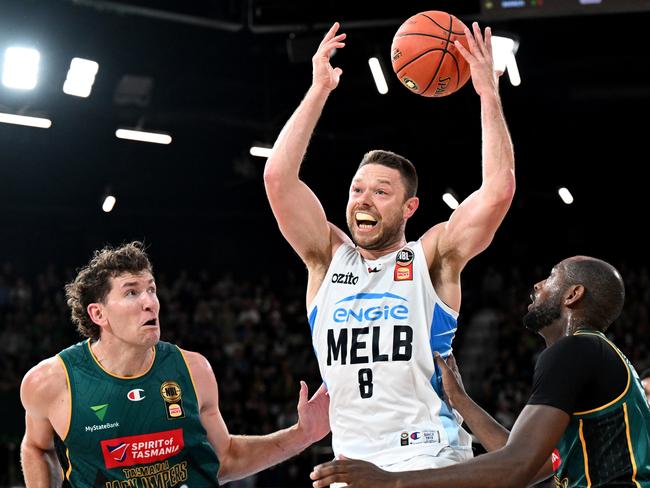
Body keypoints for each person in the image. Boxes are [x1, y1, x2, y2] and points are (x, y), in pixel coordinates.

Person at [263, 19, 515, 474]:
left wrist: (487, 95)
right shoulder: (326, 257)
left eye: (380, 192)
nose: (363, 199)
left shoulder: (431, 257)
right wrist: (319, 89)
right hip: (350, 461)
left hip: (428, 454)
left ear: (409, 208)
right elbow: (278, 180)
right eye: (357, 189)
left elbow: (497, 191)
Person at [310, 256, 650, 487]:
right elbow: (526, 461)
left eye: (551, 278)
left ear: (573, 295)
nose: (537, 285)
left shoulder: (574, 350)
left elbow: (514, 469)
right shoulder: (598, 355)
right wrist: (460, 401)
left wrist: (391, 480)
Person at [20, 242, 330, 487]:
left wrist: (302, 434)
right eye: (131, 292)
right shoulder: (51, 382)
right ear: (98, 314)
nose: (150, 302)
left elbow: (225, 460)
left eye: (151, 289)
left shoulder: (194, 370)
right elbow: (36, 447)